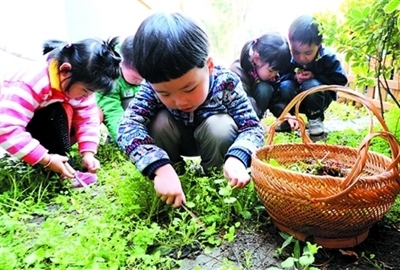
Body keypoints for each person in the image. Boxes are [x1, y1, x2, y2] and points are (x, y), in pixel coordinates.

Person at [117, 12, 265, 208]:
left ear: (209, 66)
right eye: (165, 93)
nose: (179, 101)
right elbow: (127, 126)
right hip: (175, 140)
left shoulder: (226, 83)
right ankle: (173, 180)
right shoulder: (150, 89)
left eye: (189, 88)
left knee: (219, 125)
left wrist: (237, 157)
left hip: (214, 141)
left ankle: (217, 179)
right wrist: (159, 167)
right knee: (159, 121)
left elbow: (252, 128)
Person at [0, 37, 121, 188]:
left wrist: (88, 153)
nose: (87, 96)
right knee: (58, 111)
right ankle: (58, 169)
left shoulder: (73, 80)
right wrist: (46, 159)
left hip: (35, 120)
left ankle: (60, 163)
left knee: (93, 112)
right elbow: (7, 129)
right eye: (85, 90)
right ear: (65, 70)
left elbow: (88, 117)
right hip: (12, 121)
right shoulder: (30, 83)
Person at [279, 15, 348, 136]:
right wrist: (293, 77)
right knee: (285, 86)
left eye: (308, 53)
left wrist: (315, 76)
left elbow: (340, 81)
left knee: (312, 85)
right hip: (295, 100)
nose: (301, 58)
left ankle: (315, 120)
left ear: (319, 45)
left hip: (318, 98)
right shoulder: (287, 58)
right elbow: (278, 77)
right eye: (296, 52)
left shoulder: (327, 58)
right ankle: (288, 119)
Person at [230, 31, 298, 131]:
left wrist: (285, 114)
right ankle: (252, 124)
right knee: (263, 89)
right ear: (256, 58)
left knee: (265, 87)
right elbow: (244, 100)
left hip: (254, 113)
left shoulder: (269, 75)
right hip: (236, 113)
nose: (274, 74)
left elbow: (275, 99)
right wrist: (255, 121)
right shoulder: (237, 71)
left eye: (277, 71)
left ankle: (256, 123)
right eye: (271, 70)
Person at [95, 35, 143, 143]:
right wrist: (125, 140)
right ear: (121, 64)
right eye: (135, 78)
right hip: (122, 113)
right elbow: (112, 112)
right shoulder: (108, 77)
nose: (141, 81)